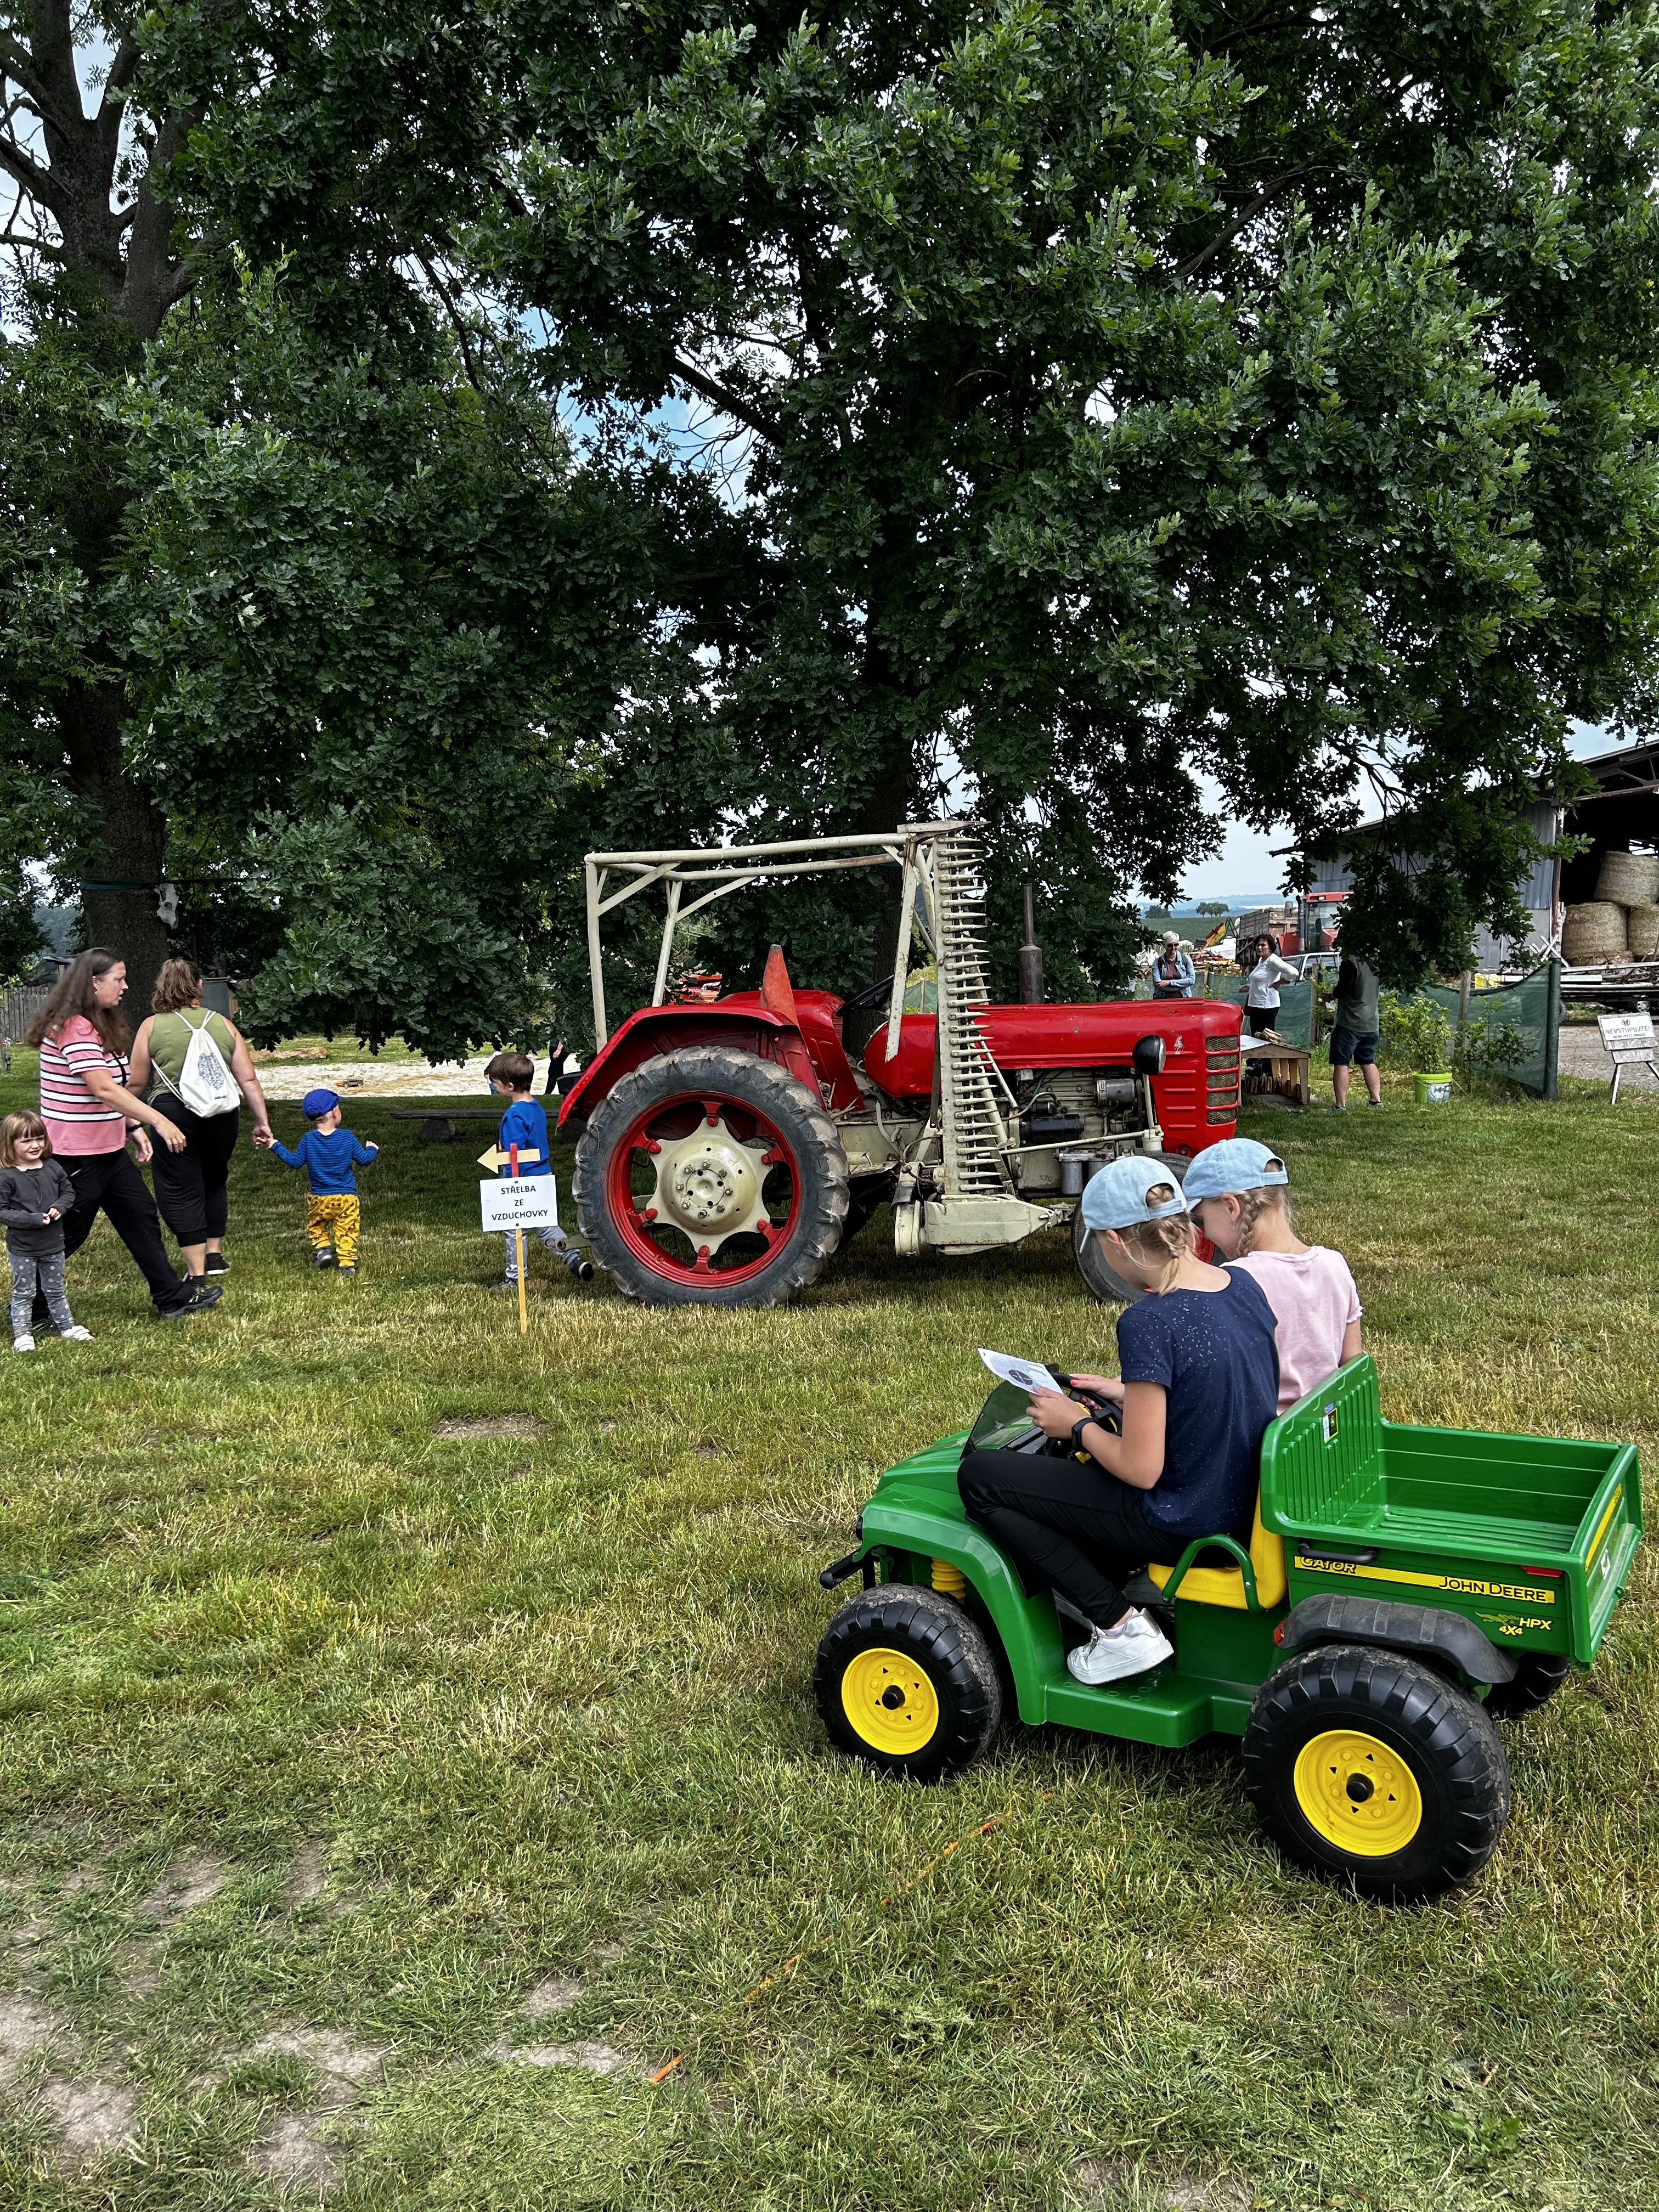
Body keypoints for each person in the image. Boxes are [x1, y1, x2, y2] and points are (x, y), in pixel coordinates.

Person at [958, 1154, 1279, 1688]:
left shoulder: (1149, 1321)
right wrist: (1123, 1393)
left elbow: (1141, 1469)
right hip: (1234, 1502)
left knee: (982, 1479)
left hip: (1180, 1519)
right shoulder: (1239, 1286)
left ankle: (1120, 1628)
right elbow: (1213, 1388)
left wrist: (1075, 1427)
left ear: (1114, 1242)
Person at [24, 949, 222, 1322]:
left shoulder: (99, 1023)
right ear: (94, 983)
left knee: (141, 1216)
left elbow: (114, 1086)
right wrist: (158, 1122)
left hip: (108, 1151)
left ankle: (171, 1298)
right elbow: (104, 1089)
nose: (126, 986)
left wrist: (130, 1127)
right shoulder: (74, 1026)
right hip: (76, 1155)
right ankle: (31, 1306)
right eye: (119, 979)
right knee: (69, 1234)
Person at [1183, 1138, 1362, 1411]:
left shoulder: (1234, 1280)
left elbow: (1207, 1380)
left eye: (1202, 1220)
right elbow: (1353, 1370)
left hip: (1261, 1445)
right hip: (1324, 1435)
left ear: (1232, 1207)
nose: (1205, 1233)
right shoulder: (1334, 1263)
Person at [126, 961, 273, 1288]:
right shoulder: (222, 1023)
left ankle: (196, 1275)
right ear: (200, 986)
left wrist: (128, 1118)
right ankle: (215, 1253)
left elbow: (137, 1083)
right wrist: (262, 1122)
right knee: (215, 1179)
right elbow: (247, 1078)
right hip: (222, 1115)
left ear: (161, 986)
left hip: (172, 1115)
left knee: (180, 1189)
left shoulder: (151, 1027)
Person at [485, 1052, 592, 1288]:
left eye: (495, 1082)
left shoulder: (514, 1114)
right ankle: (573, 1259)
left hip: (521, 1178)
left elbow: (515, 1153)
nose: (493, 1085)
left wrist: (509, 1181)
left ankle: (515, 1279)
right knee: (546, 1225)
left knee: (515, 1230)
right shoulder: (536, 1108)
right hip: (542, 1174)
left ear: (509, 1086)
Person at [0, 1111, 94, 1352]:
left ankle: (67, 1326)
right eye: (26, 1141)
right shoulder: (6, 1177)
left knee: (55, 1289)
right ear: (10, 1144)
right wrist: (32, 1219)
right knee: (24, 1291)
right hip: (23, 1249)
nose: (35, 1145)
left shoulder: (53, 1167)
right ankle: (22, 1333)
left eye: (39, 1139)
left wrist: (59, 1208)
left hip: (54, 1245)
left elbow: (68, 1193)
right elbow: (2, 1211)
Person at [264, 1087, 377, 1274]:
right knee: (347, 1230)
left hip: (320, 1199)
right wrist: (372, 1149)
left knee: (317, 1225)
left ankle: (323, 1249)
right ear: (334, 1112)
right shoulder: (347, 1137)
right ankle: (348, 1264)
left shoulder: (308, 1140)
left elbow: (295, 1162)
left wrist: (275, 1145)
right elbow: (364, 1160)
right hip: (346, 1198)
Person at [1329, 953, 1383, 1108]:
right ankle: (1376, 1100)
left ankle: (1340, 1105)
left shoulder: (1351, 962)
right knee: (1368, 1061)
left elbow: (1344, 988)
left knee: (1341, 1063)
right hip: (1371, 1023)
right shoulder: (1376, 961)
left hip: (1350, 1023)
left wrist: (1331, 996)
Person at [1244, 936, 1299, 1037]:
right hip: (1256, 1005)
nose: (1260, 948)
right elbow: (1264, 979)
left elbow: (1294, 973)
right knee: (1256, 1037)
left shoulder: (1273, 960)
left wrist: (1279, 983)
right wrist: (1250, 987)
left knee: (1267, 1038)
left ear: (1271, 947)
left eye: (1263, 945)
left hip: (1267, 1006)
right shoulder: (1262, 960)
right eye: (1258, 945)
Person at [1149, 931, 1195, 999]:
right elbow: (1158, 985)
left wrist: (1168, 983)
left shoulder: (1186, 960)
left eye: (1176, 945)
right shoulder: (1157, 963)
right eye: (1170, 945)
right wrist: (1182, 984)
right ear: (1165, 946)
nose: (1173, 948)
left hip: (1183, 999)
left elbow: (1192, 980)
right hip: (1163, 1000)